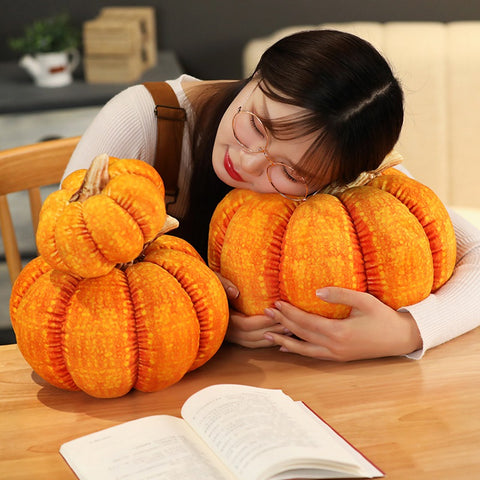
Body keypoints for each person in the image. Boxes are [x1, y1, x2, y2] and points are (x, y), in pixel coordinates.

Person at [64, 30, 480, 362]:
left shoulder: (352, 169)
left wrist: (409, 330)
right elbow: (64, 266)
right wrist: (204, 319)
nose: (247, 163)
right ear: (257, 76)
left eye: (290, 172)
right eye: (257, 126)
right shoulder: (145, 118)